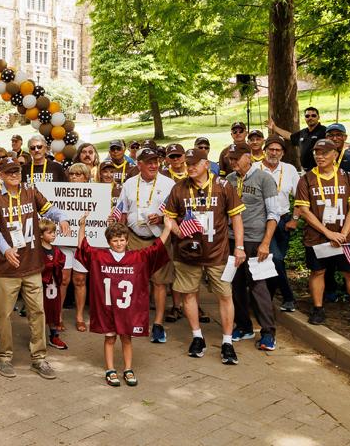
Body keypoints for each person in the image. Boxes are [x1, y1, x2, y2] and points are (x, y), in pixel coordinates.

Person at [0, 157, 70, 380]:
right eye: (9, 172)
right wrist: (5, 249)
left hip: (32, 264)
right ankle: (4, 357)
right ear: (1, 175)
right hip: (6, 267)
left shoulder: (30, 191)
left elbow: (50, 209)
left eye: (17, 170)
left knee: (37, 312)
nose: (14, 174)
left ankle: (39, 358)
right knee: (3, 315)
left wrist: (62, 218)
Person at [163, 148, 245, 365]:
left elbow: (236, 217)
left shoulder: (223, 186)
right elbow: (168, 217)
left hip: (217, 252)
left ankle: (227, 341)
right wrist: (178, 232)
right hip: (187, 253)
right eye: (187, 163)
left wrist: (239, 247)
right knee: (189, 294)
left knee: (225, 295)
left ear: (206, 164)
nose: (190, 167)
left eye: (194, 163)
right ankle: (197, 336)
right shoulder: (179, 188)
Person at [76, 212, 171, 387]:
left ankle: (128, 369)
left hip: (128, 309)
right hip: (108, 308)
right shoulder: (100, 256)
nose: (119, 243)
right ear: (109, 242)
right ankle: (110, 369)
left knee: (127, 338)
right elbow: (83, 247)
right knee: (110, 338)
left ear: (127, 241)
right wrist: (82, 225)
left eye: (121, 240)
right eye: (115, 241)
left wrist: (168, 228)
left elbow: (156, 248)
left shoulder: (138, 257)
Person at [296, 139, 350, 328]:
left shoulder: (347, 176)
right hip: (317, 237)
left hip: (347, 238)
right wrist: (329, 233)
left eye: (325, 153)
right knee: (317, 271)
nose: (320, 156)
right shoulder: (306, 179)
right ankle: (318, 309)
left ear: (335, 155)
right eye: (317, 153)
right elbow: (304, 211)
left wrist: (343, 233)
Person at [115, 147, 176, 344]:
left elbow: (176, 212)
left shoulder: (169, 184)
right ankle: (135, 319)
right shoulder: (130, 184)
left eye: (155, 161)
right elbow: (122, 211)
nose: (153, 165)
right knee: (135, 281)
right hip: (134, 238)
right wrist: (119, 236)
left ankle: (157, 324)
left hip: (159, 238)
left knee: (159, 282)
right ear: (139, 164)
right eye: (148, 161)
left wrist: (160, 218)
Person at [224, 142, 280, 351]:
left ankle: (268, 333)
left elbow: (274, 213)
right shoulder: (229, 180)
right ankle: (244, 325)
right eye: (230, 159)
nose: (232, 162)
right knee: (235, 284)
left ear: (248, 157)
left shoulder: (265, 179)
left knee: (258, 286)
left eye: (236, 158)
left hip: (255, 241)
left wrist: (265, 243)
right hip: (232, 239)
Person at [256, 136, 300, 312]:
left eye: (278, 150)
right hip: (262, 221)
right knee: (276, 258)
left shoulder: (289, 170)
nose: (274, 153)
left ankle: (267, 298)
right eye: (271, 149)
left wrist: (294, 219)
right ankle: (289, 297)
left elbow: (301, 197)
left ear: (282, 153)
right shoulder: (254, 168)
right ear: (265, 150)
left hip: (283, 220)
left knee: (276, 260)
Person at [64, 163, 91, 331]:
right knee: (63, 279)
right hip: (64, 242)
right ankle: (57, 316)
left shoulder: (95, 194)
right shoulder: (60, 193)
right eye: (72, 174)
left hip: (82, 243)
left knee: (79, 280)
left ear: (86, 177)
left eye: (78, 175)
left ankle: (80, 316)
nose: (74, 177)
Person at [268, 106, 327, 172]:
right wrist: (275, 128)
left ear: (318, 117)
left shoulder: (324, 131)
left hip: (320, 169)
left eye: (313, 115)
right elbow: (290, 136)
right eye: (307, 116)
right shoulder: (303, 132)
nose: (310, 118)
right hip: (305, 170)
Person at [38, 219, 68, 350]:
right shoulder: (37, 251)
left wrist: (53, 265)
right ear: (41, 235)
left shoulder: (56, 251)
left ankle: (54, 335)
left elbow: (60, 263)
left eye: (54, 232)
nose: (53, 235)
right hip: (40, 286)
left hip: (53, 287)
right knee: (39, 311)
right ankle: (37, 338)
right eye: (50, 233)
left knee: (53, 310)